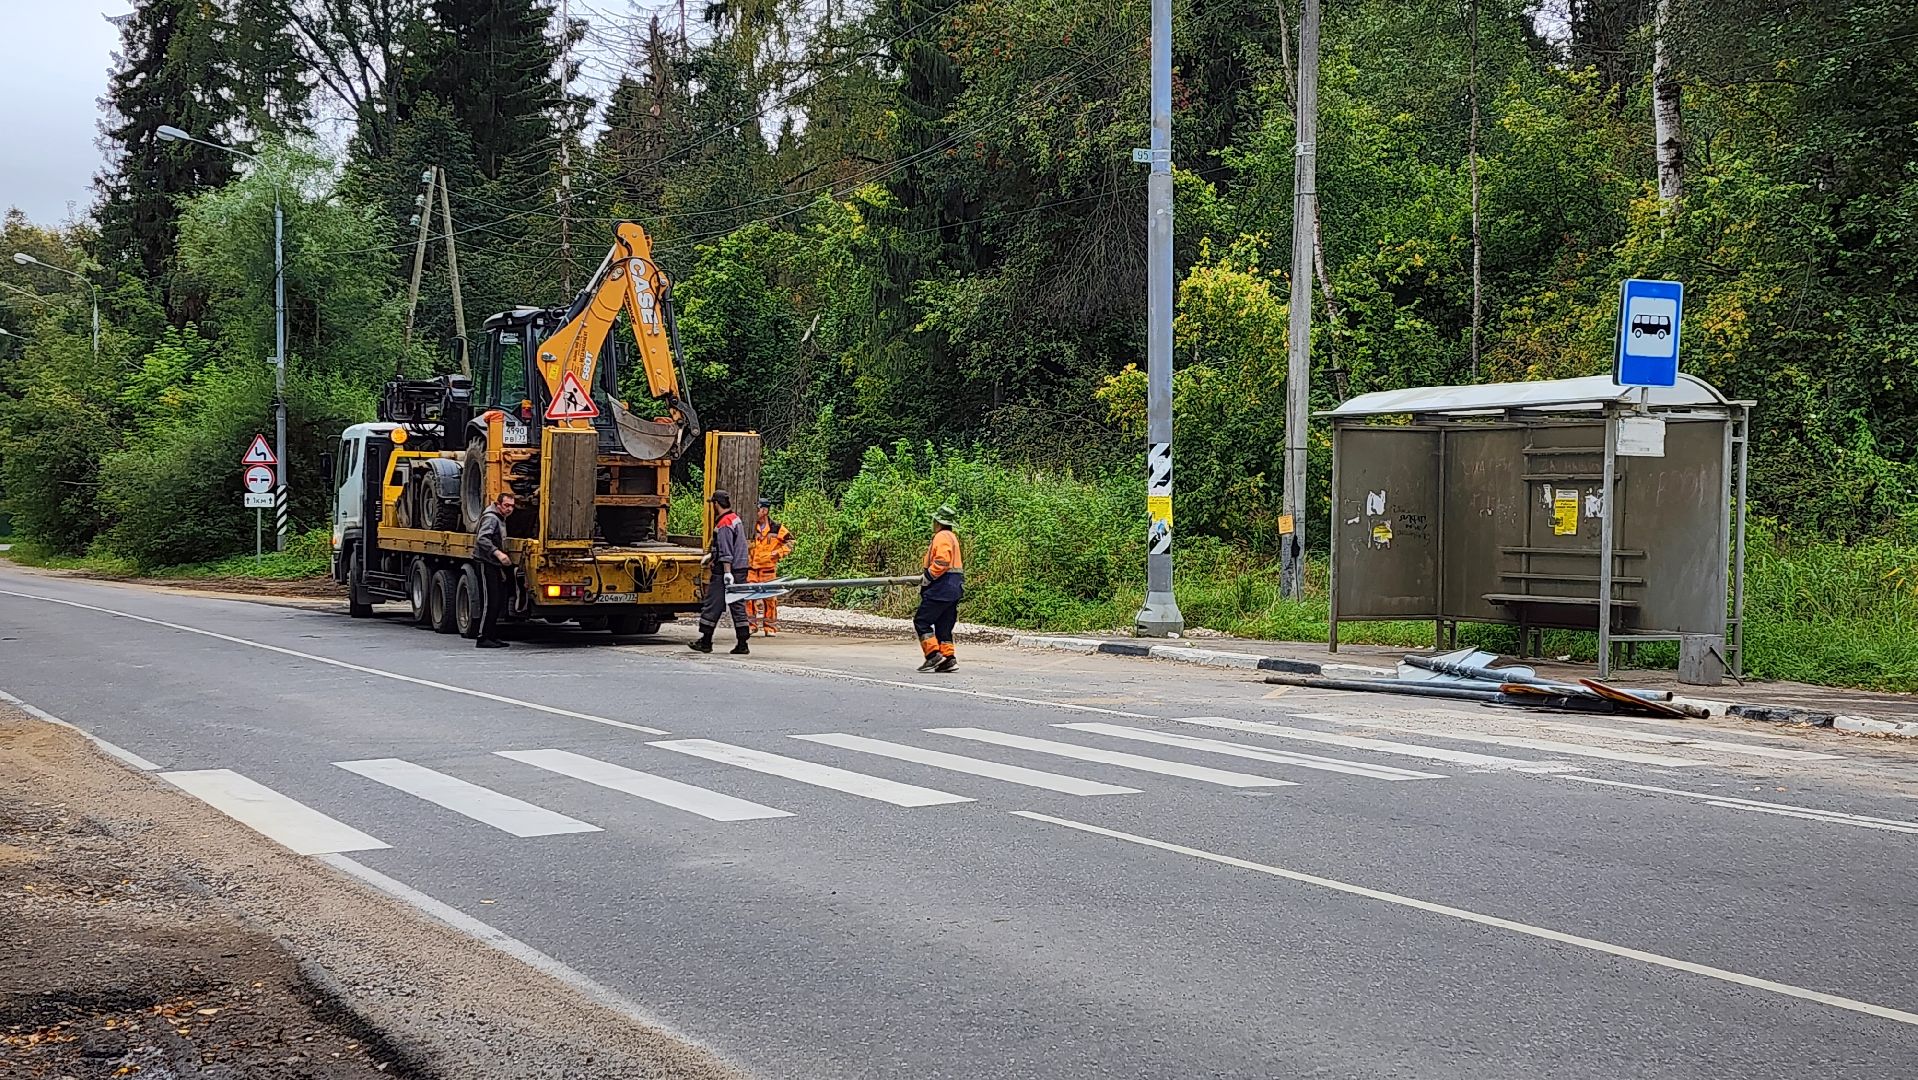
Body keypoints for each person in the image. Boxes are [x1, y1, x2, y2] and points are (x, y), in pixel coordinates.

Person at [690, 489, 752, 655]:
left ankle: (706, 641)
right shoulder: (735, 519)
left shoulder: (723, 523)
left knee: (713, 604)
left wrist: (726, 572)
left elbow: (726, 550)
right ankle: (743, 643)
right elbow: (734, 545)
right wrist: (712, 555)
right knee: (738, 605)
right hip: (741, 568)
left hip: (726, 571)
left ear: (716, 504)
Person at [913, 503, 965, 673]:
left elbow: (942, 561)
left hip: (941, 588)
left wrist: (928, 577)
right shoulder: (952, 537)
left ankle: (933, 655)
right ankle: (948, 659)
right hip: (953, 589)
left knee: (922, 621)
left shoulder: (941, 536)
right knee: (943, 626)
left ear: (938, 522)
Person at [472, 491, 517, 649]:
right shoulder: (491, 518)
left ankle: (491, 636)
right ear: (498, 505)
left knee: (496, 600)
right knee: (489, 601)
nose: (509, 509)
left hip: (494, 564)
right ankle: (482, 637)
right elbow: (482, 539)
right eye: (506, 505)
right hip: (486, 562)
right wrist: (498, 553)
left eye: (512, 506)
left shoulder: (500, 517)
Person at [747, 497, 794, 635]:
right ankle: (751, 625)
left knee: (770, 599)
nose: (755, 512)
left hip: (768, 569)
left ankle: (770, 628)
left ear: (765, 510)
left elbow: (791, 542)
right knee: (749, 598)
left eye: (758, 509)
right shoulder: (750, 527)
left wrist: (779, 553)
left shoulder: (776, 528)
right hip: (751, 568)